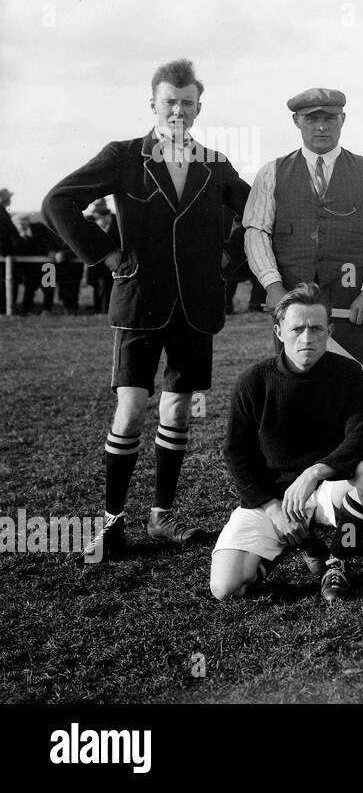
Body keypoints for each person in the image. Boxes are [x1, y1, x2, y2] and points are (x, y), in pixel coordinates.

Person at [42, 58, 251, 563]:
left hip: (195, 307)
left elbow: (259, 213)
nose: (178, 110)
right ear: (152, 103)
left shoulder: (215, 163)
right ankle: (112, 525)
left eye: (187, 102)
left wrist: (231, 259)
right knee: (133, 407)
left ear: (200, 107)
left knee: (177, 408)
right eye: (169, 102)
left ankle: (161, 518)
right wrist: (108, 255)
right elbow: (57, 202)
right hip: (139, 302)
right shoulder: (123, 155)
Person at [209, 284, 363, 602]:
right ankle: (300, 543)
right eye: (297, 328)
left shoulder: (346, 373)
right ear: (279, 330)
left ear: (329, 330)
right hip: (274, 499)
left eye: (316, 328)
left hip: (326, 487)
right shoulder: (254, 381)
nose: (307, 338)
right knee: (226, 587)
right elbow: (237, 454)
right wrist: (274, 510)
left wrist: (314, 472)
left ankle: (337, 560)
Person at [243, 87, 363, 379]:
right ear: (296, 121)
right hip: (291, 294)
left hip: (350, 298)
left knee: (352, 379)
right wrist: (272, 285)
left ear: (343, 119)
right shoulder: (271, 173)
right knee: (292, 379)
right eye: (311, 119)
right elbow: (256, 231)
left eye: (330, 118)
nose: (322, 126)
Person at [85, 201, 118, 314]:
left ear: (106, 216)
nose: (97, 221)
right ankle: (98, 309)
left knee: (108, 287)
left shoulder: (117, 223)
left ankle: (106, 310)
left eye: (99, 218)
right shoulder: (92, 222)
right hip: (98, 265)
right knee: (97, 286)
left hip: (112, 263)